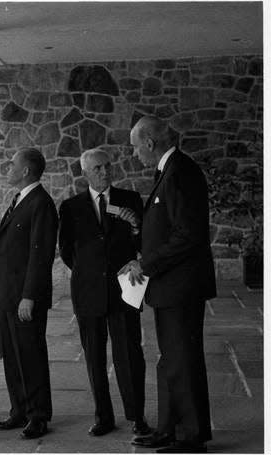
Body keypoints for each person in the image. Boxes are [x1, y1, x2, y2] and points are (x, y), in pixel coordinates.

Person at [126, 116, 215, 453]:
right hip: (170, 286)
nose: (134, 154)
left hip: (181, 287)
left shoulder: (181, 171)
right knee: (170, 359)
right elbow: (169, 228)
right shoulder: (169, 169)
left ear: (149, 143)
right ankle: (168, 429)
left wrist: (146, 262)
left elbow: (187, 235)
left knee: (183, 359)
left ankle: (192, 437)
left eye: (136, 147)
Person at [58, 147, 151, 438]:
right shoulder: (71, 207)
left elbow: (146, 240)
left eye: (107, 166)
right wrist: (90, 273)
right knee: (94, 357)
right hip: (88, 292)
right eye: (97, 168)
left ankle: (137, 417)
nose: (104, 172)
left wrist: (135, 226)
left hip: (125, 290)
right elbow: (66, 251)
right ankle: (103, 417)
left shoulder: (130, 200)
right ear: (85, 174)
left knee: (129, 355)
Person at [0, 148, 58, 439]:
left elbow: (40, 254)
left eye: (12, 164)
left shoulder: (41, 203)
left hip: (24, 298)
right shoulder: (20, 199)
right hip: (8, 294)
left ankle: (38, 416)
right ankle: (19, 410)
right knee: (13, 357)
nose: (8, 167)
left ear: (27, 170)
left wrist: (29, 296)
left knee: (30, 356)